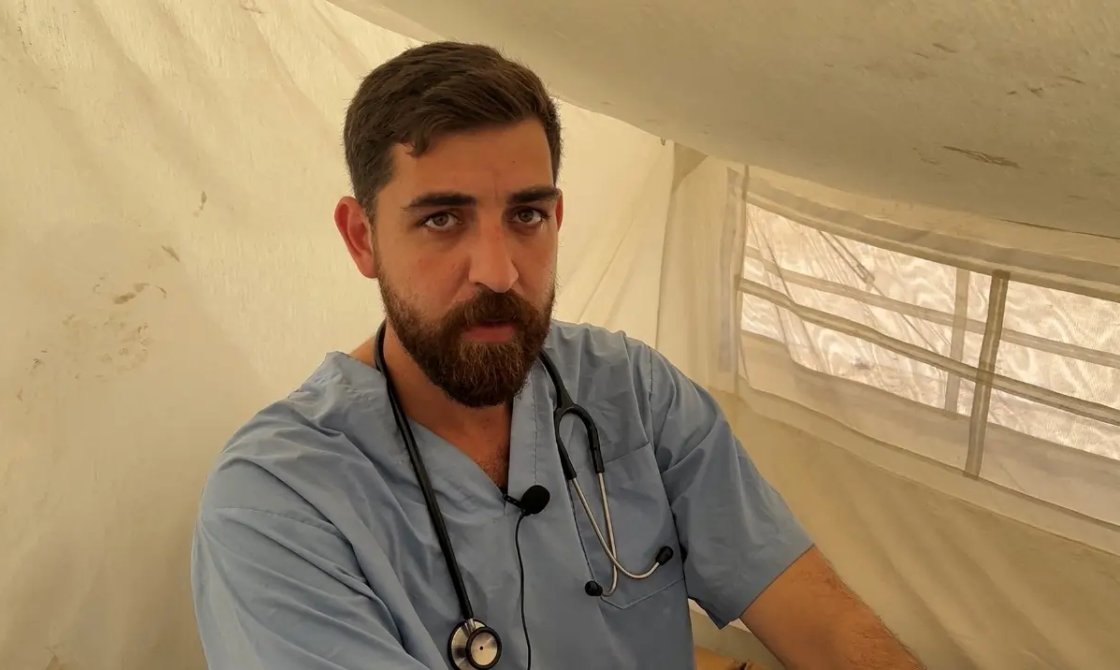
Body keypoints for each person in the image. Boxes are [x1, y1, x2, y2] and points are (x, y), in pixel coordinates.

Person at [190, 41, 924, 670]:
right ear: (362, 238)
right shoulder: (280, 504)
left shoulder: (633, 394)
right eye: (442, 219)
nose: (499, 271)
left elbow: (826, 625)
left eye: (526, 216)